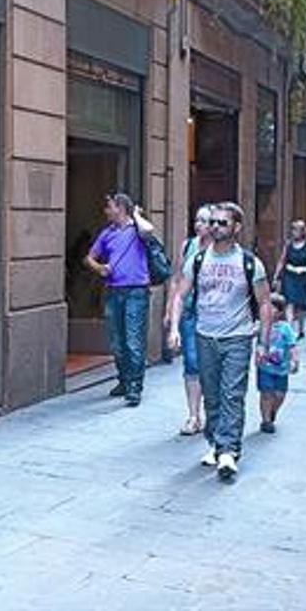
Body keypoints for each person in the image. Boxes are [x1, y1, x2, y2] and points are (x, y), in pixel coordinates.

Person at [167, 202, 272, 482]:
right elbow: (179, 293)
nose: (215, 227)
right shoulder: (198, 260)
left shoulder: (249, 262)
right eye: (212, 222)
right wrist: (174, 327)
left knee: (232, 394)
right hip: (205, 335)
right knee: (211, 395)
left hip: (238, 337)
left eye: (222, 223)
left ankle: (228, 451)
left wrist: (263, 342)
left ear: (237, 228)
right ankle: (216, 442)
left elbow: (264, 303)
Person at [84, 193, 155, 407]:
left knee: (133, 340)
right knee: (117, 341)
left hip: (136, 292)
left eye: (110, 207)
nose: (106, 211)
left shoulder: (138, 231)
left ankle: (135, 386)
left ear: (121, 209)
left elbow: (149, 231)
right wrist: (100, 268)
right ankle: (123, 380)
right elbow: (89, 258)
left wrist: (136, 214)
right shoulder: (107, 234)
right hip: (114, 291)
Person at [166, 205, 213, 435]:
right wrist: (169, 313)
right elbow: (176, 279)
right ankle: (194, 416)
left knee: (211, 364)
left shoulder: (220, 249)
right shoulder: (188, 246)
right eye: (197, 220)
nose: (199, 225)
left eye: (204, 221)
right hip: (189, 311)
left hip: (213, 313)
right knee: (192, 362)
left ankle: (211, 411)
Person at [256, 294, 299, 434]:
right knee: (266, 393)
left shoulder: (285, 328)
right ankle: (266, 420)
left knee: (280, 395)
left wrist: (295, 360)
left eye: (272, 308)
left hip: (281, 368)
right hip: (264, 367)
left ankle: (273, 410)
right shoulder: (260, 326)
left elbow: (292, 346)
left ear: (280, 312)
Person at [272, 220, 306, 340]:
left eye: (296, 229)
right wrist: (276, 275)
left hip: (302, 276)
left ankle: (301, 329)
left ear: (302, 231)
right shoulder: (288, 245)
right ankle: (290, 331)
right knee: (289, 303)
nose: (294, 232)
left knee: (300, 305)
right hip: (289, 275)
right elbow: (282, 260)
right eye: (293, 229)